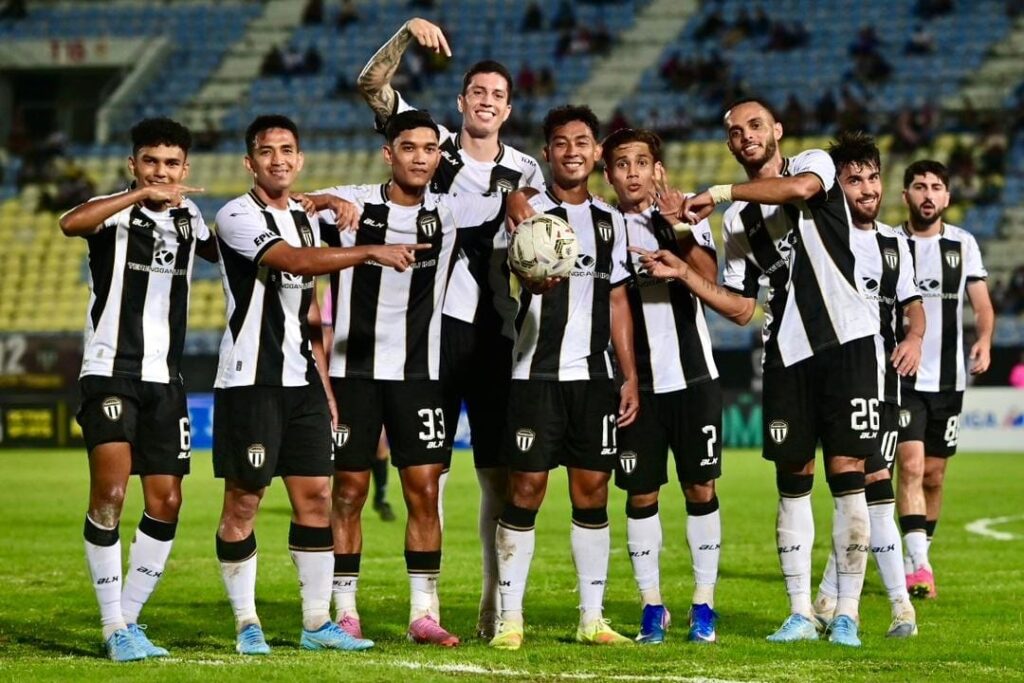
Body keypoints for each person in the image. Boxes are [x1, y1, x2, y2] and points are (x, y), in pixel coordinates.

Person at [637, 98, 881, 647]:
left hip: (847, 342)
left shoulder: (812, 164)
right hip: (786, 354)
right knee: (792, 481)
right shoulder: (736, 222)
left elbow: (798, 192)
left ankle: (847, 612)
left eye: (754, 125)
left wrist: (720, 190)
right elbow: (743, 308)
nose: (745, 135)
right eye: (734, 131)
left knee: (847, 474)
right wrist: (684, 270)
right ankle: (800, 612)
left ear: (777, 130)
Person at [357, 17, 546, 640]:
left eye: (498, 95)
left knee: (497, 475)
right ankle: (427, 608)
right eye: (477, 92)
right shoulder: (431, 144)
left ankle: (494, 605)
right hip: (431, 336)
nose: (487, 102)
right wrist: (405, 33)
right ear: (462, 102)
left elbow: (541, 253)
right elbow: (372, 84)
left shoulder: (527, 172)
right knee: (426, 473)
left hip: (496, 337)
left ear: (508, 109)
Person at [211, 114, 420, 656]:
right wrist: (368, 251)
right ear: (250, 162)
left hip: (301, 378)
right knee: (244, 502)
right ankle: (247, 622)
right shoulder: (236, 215)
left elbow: (309, 316)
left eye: (287, 150)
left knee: (317, 497)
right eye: (266, 151)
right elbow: (295, 262)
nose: (278, 159)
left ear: (300, 159)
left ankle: (316, 623)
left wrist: (324, 385)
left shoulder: (306, 219)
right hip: (250, 380)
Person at [305, 109, 509, 647]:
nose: (420, 157)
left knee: (423, 489)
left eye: (429, 149)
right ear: (388, 153)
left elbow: (511, 196)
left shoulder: (452, 209)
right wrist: (324, 201)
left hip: (420, 375)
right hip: (353, 372)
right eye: (409, 147)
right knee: (349, 491)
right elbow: (300, 205)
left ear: (440, 157)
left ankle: (423, 612)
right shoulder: (354, 202)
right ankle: (345, 609)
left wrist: (521, 200)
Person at [59, 117, 214, 662]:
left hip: (165, 379)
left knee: (167, 501)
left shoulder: (191, 218)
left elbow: (234, 251)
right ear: (134, 164)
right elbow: (71, 223)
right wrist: (139, 196)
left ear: (185, 168)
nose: (161, 172)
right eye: (151, 162)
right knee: (110, 494)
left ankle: (128, 620)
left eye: (171, 164)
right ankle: (112, 626)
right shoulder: (112, 212)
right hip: (110, 371)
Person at [489, 105, 639, 651]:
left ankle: (591, 619)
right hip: (534, 373)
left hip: (594, 378)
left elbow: (617, 300)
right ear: (546, 153)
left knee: (593, 491)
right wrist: (527, 274)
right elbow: (506, 278)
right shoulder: (526, 214)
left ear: (596, 152)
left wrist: (629, 375)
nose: (571, 151)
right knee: (526, 489)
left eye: (581, 142)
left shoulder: (611, 221)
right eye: (560, 142)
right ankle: (509, 619)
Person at [602, 128, 723, 644]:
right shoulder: (603, 226)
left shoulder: (686, 214)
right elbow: (614, 306)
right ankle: (652, 605)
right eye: (621, 163)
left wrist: (679, 229)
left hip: (695, 378)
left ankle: (704, 604)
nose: (632, 172)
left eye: (641, 162)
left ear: (659, 170)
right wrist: (627, 377)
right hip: (640, 387)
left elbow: (711, 280)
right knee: (641, 492)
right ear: (608, 175)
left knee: (701, 489)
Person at [811, 131, 924, 638]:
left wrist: (915, 337)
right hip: (828, 380)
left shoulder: (894, 243)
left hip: (881, 384)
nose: (867, 188)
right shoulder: (821, 236)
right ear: (836, 186)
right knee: (851, 492)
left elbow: (913, 305)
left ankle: (899, 607)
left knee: (873, 487)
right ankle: (829, 598)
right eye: (854, 179)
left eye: (873, 177)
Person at [895, 159, 994, 599]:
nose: (928, 194)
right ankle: (920, 567)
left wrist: (985, 339)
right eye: (920, 186)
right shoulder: (890, 242)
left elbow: (982, 305)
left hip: (949, 380)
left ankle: (916, 556)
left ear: (947, 197)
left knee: (934, 476)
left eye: (936, 187)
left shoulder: (963, 243)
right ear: (906, 195)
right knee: (911, 466)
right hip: (903, 377)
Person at [320, 286, 395, 523]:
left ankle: (381, 498)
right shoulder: (335, 289)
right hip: (343, 380)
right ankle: (328, 497)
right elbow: (326, 335)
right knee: (337, 445)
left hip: (376, 376)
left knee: (380, 445)